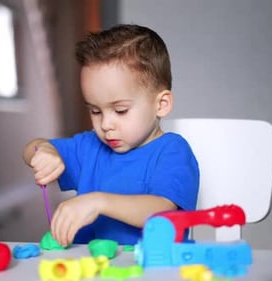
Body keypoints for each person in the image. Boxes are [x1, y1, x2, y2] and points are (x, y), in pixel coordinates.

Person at [23, 24, 199, 247]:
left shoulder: (172, 151)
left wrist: (98, 202)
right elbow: (33, 147)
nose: (105, 124)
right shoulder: (90, 146)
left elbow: (162, 209)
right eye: (95, 111)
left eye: (120, 110)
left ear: (161, 104)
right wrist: (43, 152)